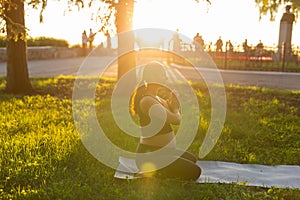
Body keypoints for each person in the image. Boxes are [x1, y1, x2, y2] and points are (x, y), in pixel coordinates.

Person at [131, 61, 201, 180]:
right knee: (195, 171)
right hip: (150, 155)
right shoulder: (147, 101)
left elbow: (172, 113)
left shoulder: (157, 98)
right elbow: (176, 119)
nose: (166, 78)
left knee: (192, 159)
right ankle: (150, 172)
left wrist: (173, 104)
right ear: (155, 77)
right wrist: (175, 108)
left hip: (164, 151)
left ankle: (159, 169)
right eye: (163, 75)